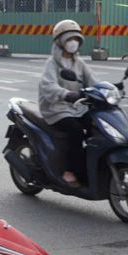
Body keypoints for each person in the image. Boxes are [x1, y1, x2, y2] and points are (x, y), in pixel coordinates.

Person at [39, 20, 102, 187]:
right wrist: (66, 94)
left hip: (76, 107)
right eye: (69, 39)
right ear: (61, 41)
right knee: (75, 132)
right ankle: (68, 170)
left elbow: (93, 80)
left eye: (76, 39)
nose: (73, 43)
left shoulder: (79, 62)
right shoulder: (52, 63)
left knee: (97, 126)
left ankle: (90, 166)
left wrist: (110, 89)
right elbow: (48, 86)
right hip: (56, 108)